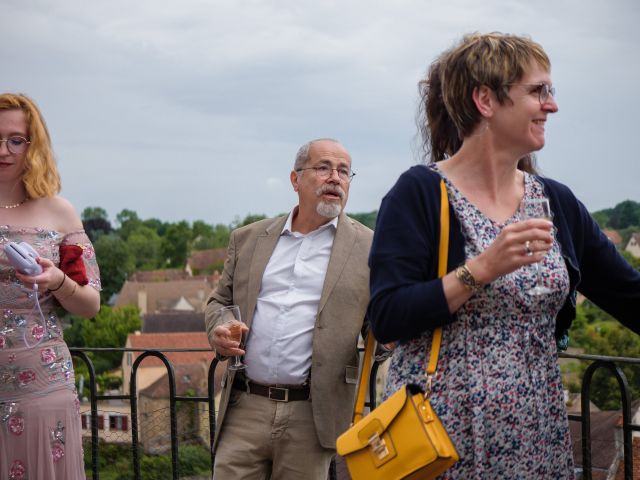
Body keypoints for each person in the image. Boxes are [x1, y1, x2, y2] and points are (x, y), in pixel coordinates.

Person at [367, 33, 640, 479]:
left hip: (539, 439)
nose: (551, 105)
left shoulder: (556, 201)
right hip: (440, 443)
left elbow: (629, 295)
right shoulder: (419, 192)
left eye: (549, 91)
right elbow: (387, 316)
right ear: (486, 100)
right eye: (538, 91)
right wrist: (481, 268)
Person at [204, 138, 372, 479]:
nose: (335, 178)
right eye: (324, 167)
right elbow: (220, 301)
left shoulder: (369, 247)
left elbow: (379, 327)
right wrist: (219, 330)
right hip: (244, 407)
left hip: (313, 416)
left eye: (344, 171)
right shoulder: (248, 239)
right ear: (295, 180)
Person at [0, 94, 101, 480]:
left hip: (43, 386)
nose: (4, 150)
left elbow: (90, 304)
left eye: (16, 139)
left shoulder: (60, 212)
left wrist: (56, 279)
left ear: (33, 145)